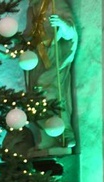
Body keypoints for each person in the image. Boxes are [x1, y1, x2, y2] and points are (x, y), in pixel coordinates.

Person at [25, 0, 78, 151]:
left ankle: (65, 133)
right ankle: (47, 137)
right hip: (37, 59)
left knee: (52, 93)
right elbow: (27, 37)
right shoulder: (32, 9)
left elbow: (71, 32)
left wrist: (63, 25)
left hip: (54, 56)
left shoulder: (57, 3)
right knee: (36, 97)